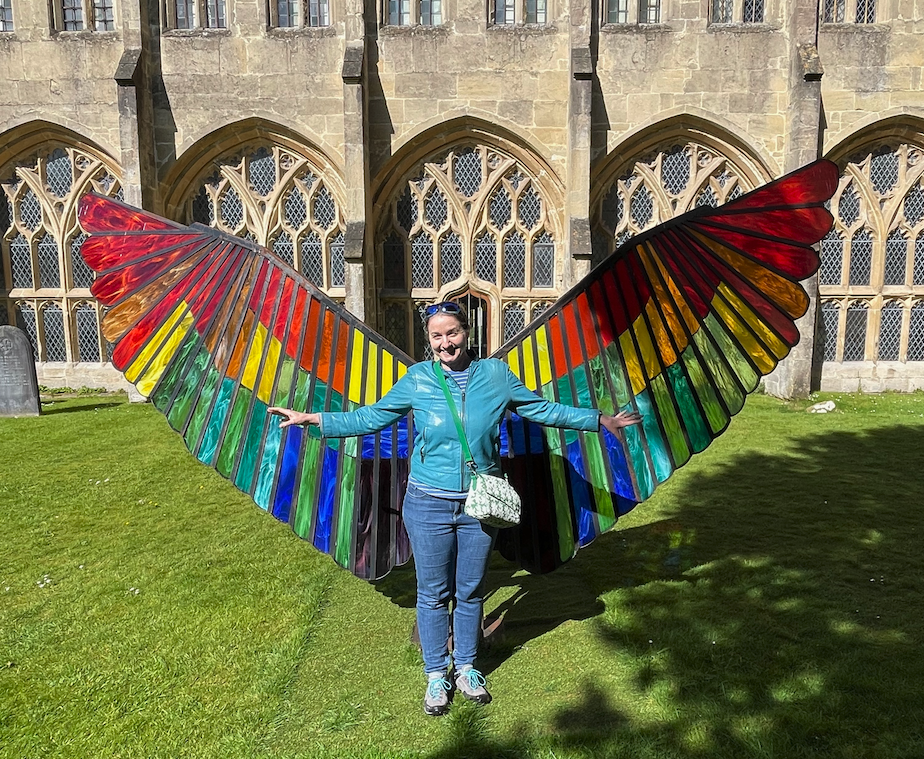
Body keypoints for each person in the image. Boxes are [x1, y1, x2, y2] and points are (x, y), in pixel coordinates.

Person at [269, 302, 642, 716]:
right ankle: (435, 675)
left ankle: (466, 667)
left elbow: (540, 409)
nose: (445, 343)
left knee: (470, 589)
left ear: (468, 333)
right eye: (436, 336)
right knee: (432, 593)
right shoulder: (418, 380)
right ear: (428, 341)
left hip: (480, 503)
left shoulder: (496, 376)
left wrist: (598, 419)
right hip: (428, 500)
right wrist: (314, 418)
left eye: (452, 333)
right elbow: (371, 417)